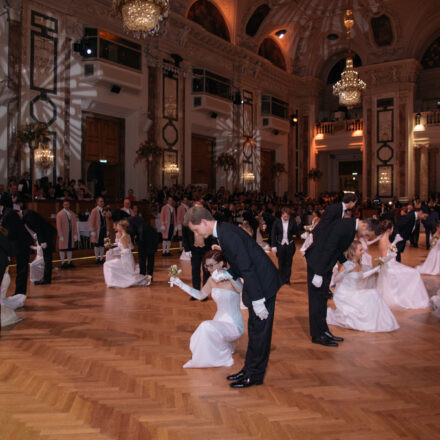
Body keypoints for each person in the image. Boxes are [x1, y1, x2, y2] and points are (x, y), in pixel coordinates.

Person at [184, 206, 282, 388]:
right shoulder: (223, 231)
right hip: (258, 282)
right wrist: (229, 274)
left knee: (260, 333)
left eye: (196, 230)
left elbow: (247, 267)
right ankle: (249, 369)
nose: (198, 234)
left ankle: (255, 375)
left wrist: (258, 299)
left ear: (204, 222)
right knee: (254, 330)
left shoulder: (226, 233)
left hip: (263, 284)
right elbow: (239, 263)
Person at [305, 217, 380, 347]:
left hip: (325, 264)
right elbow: (328, 247)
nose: (365, 237)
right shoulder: (346, 226)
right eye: (367, 234)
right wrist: (318, 272)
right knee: (316, 301)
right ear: (365, 226)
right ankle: (317, 335)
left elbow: (338, 248)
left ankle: (324, 331)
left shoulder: (350, 227)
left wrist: (345, 262)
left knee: (323, 299)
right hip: (318, 263)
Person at [170, 250, 244, 368]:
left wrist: (230, 277)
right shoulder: (211, 280)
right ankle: (207, 357)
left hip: (234, 325)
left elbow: (242, 290)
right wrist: (180, 284)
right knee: (205, 329)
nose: (208, 269)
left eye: (211, 265)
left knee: (205, 326)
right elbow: (200, 295)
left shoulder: (233, 279)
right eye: (206, 266)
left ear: (221, 264)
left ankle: (211, 359)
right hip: (218, 322)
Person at [327, 240, 399, 332]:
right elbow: (336, 280)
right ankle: (374, 323)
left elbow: (362, 276)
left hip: (354, 292)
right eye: (360, 250)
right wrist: (344, 272)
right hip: (345, 295)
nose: (363, 252)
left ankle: (379, 322)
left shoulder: (358, 264)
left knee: (373, 294)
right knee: (372, 295)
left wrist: (376, 269)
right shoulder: (347, 265)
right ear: (353, 252)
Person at [377, 220, 430, 309]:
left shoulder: (387, 239)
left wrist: (395, 244)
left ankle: (412, 298)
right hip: (389, 268)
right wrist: (390, 256)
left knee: (414, 273)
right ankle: (410, 299)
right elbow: (382, 260)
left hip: (393, 264)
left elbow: (392, 251)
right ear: (390, 229)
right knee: (414, 274)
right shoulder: (382, 241)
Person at [0, 193, 32, 306]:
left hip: (21, 244)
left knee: (22, 270)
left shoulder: (9, 214)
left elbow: (11, 234)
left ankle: (20, 294)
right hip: (16, 244)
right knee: (20, 270)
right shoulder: (6, 213)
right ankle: (19, 294)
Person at [112, 210, 158, 280]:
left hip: (144, 237)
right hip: (152, 234)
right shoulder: (133, 218)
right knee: (150, 256)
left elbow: (132, 232)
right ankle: (149, 276)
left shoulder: (127, 222)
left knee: (142, 257)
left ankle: (142, 276)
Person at [103, 219, 150, 288]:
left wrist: (115, 252)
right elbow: (131, 247)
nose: (116, 227)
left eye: (118, 226)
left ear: (121, 227)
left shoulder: (122, 238)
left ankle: (114, 281)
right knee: (125, 271)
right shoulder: (128, 235)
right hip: (129, 257)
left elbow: (125, 251)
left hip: (125, 259)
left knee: (107, 264)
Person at [20, 208, 57, 284]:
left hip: (46, 235)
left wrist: (43, 241)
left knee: (47, 258)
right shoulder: (26, 215)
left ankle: (46, 280)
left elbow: (38, 227)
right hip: (45, 235)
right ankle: (46, 278)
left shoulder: (28, 215)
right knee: (47, 259)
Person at [271, 207, 299, 285]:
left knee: (289, 263)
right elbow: (273, 234)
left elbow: (296, 232)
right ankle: (281, 279)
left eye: (287, 216)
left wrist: (303, 235)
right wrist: (273, 246)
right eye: (284, 216)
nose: (286, 218)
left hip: (290, 245)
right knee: (281, 263)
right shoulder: (276, 222)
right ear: (282, 215)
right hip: (280, 245)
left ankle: (287, 280)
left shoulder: (293, 222)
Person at [56, 200, 79, 268]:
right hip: (63, 234)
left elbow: (74, 225)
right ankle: (63, 263)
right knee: (62, 248)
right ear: (63, 205)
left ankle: (69, 262)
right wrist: (60, 235)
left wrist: (75, 234)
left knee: (70, 248)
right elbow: (58, 225)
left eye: (67, 204)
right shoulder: (59, 214)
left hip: (70, 233)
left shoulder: (72, 213)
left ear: (69, 205)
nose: (66, 205)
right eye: (65, 204)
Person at [90, 197, 108, 264]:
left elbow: (107, 220)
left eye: (103, 201)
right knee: (97, 244)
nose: (102, 202)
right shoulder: (94, 210)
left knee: (103, 244)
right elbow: (92, 221)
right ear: (97, 202)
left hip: (104, 229)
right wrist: (92, 231)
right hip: (97, 230)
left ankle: (101, 258)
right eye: (100, 201)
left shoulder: (105, 210)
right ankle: (97, 258)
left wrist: (108, 229)